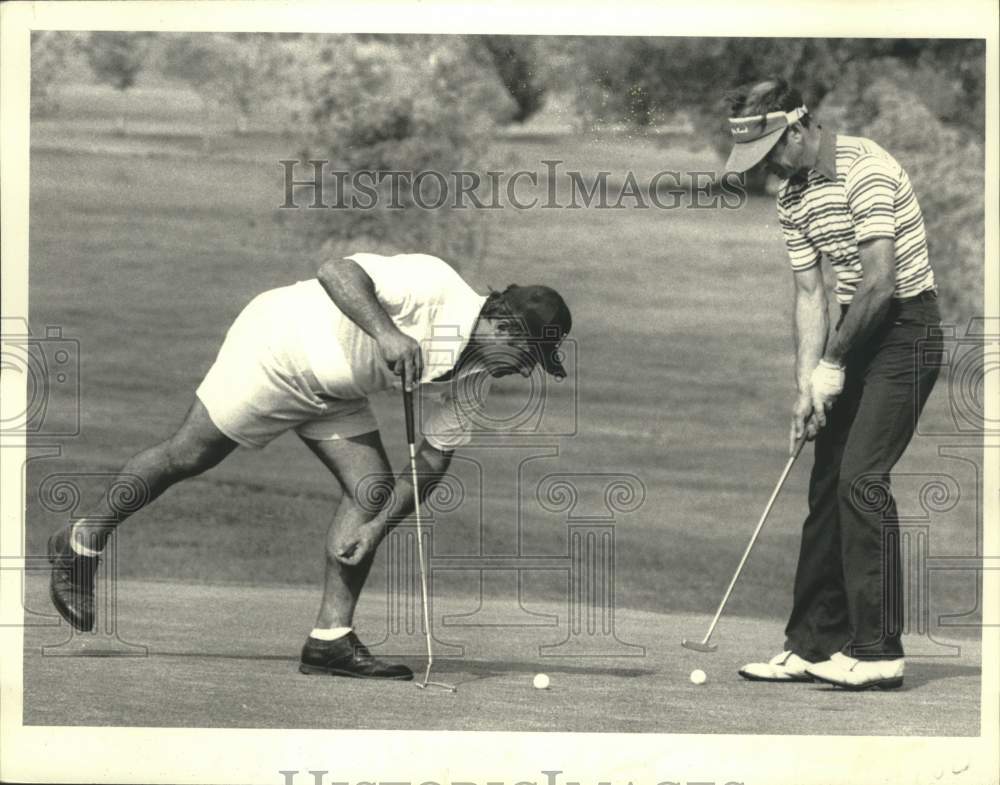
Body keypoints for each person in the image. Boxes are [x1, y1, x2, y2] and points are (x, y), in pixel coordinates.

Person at [47, 252, 571, 680]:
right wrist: (387, 333)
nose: (526, 373)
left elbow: (432, 460)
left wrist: (376, 529)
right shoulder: (435, 283)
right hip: (278, 348)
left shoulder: (475, 380)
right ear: (503, 327)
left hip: (336, 391)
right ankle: (82, 541)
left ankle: (330, 640)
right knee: (188, 455)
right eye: (529, 357)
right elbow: (336, 271)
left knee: (370, 492)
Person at [723, 79, 941, 690]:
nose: (766, 167)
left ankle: (879, 653)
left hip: (907, 329)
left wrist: (834, 364)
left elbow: (880, 282)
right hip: (854, 327)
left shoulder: (864, 167)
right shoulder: (792, 198)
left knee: (861, 479)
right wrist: (806, 384)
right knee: (827, 484)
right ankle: (813, 645)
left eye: (770, 150)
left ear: (796, 127)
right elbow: (809, 293)